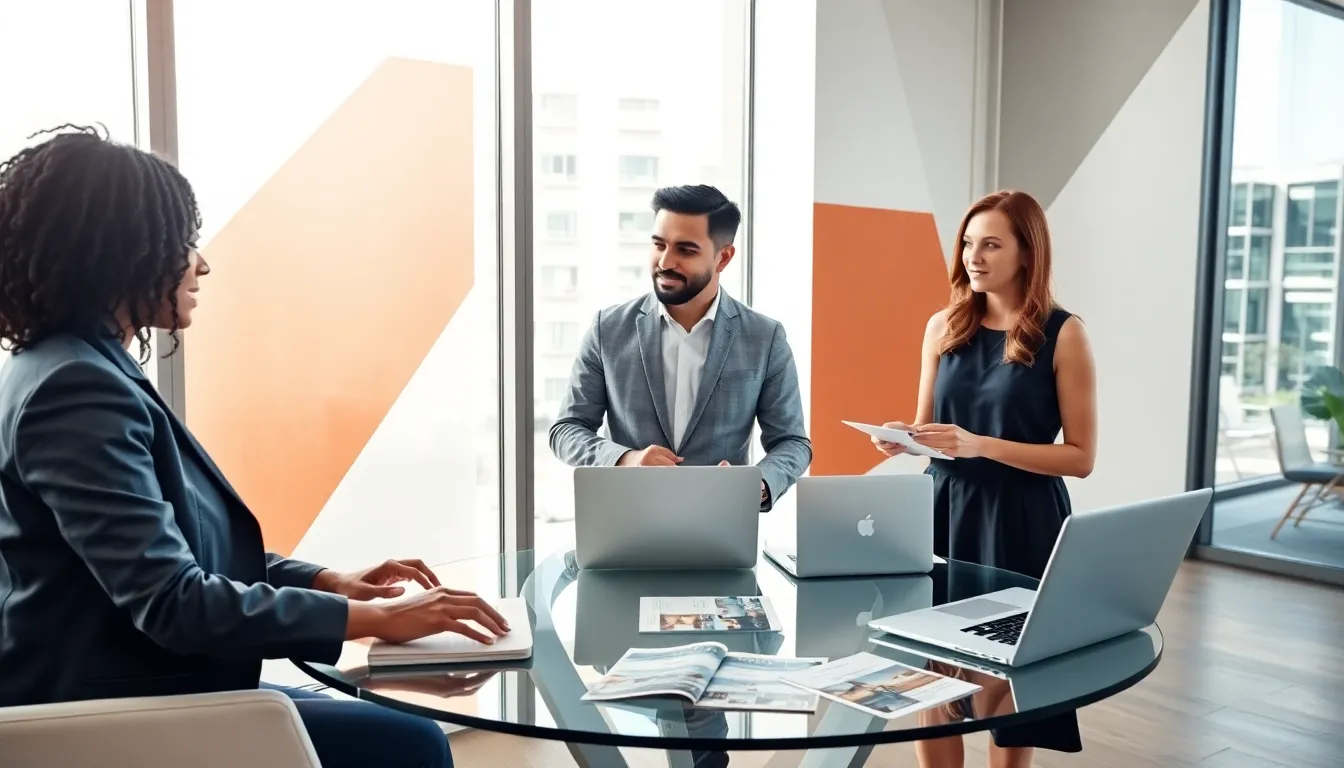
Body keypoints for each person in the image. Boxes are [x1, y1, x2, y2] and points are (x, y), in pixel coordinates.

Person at [0, 127, 510, 768]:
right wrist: (376, 620)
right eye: (183, 243)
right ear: (119, 253)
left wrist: (330, 581)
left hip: (139, 680)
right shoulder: (77, 389)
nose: (201, 263)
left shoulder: (73, 366)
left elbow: (178, 549)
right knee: (410, 743)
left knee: (393, 726)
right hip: (109, 709)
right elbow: (172, 600)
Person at [873, 190, 1097, 767]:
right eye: (969, 243)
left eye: (991, 244)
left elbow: (1079, 457)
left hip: (1025, 517)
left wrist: (979, 446)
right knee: (929, 667)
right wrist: (901, 436)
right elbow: (929, 426)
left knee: (1008, 676)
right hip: (944, 509)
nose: (974, 256)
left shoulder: (1064, 334)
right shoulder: (942, 326)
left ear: (1028, 252)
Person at [549, 184, 810, 510]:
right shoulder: (608, 329)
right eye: (659, 245)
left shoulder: (765, 336)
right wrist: (625, 459)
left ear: (723, 257)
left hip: (722, 525)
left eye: (686, 250)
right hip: (623, 525)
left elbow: (792, 442)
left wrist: (757, 484)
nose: (665, 262)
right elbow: (567, 430)